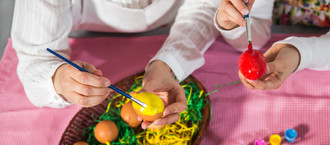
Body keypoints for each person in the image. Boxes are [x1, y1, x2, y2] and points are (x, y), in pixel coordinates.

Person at [11, 0, 221, 129]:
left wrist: (167, 64)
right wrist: (58, 80)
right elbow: (35, 54)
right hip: (85, 33)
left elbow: (204, 6)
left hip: (171, 24)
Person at [215, 0, 330, 90]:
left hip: (329, 44)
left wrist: (298, 53)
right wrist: (232, 25)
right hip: (276, 29)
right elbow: (255, 35)